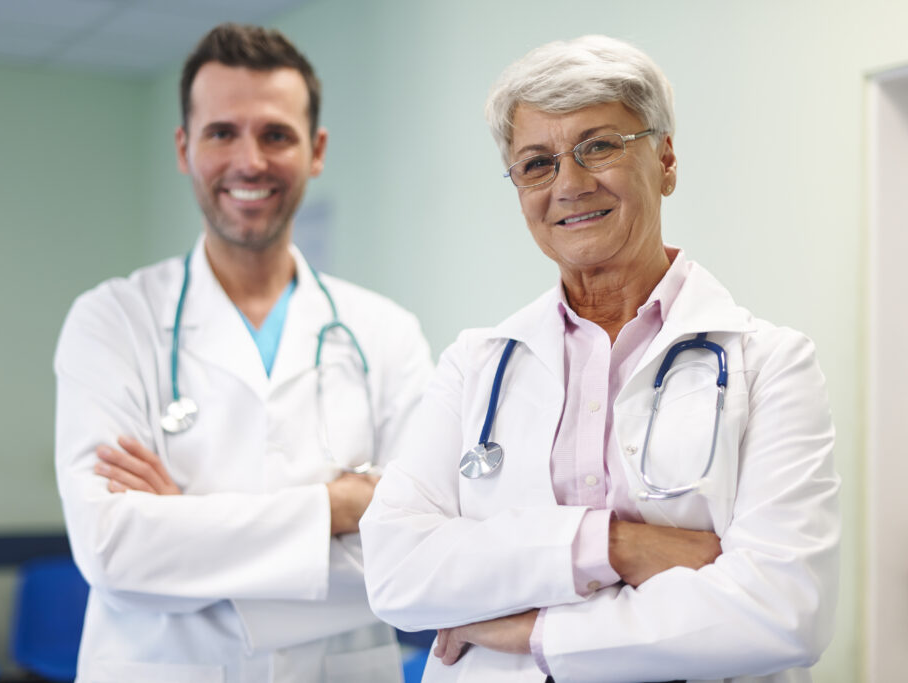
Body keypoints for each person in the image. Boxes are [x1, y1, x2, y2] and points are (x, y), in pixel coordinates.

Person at [360, 35, 839, 683]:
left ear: (665, 160)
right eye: (537, 163)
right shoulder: (474, 365)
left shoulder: (771, 363)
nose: (570, 183)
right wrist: (617, 544)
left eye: (600, 146)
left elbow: (783, 611)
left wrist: (536, 628)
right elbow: (395, 572)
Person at [54, 23, 432, 683]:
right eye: (222, 132)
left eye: (276, 134)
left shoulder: (387, 334)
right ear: (183, 147)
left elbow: (419, 551)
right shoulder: (111, 320)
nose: (249, 161)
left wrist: (183, 529)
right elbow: (113, 550)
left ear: (316, 151)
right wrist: (337, 508)